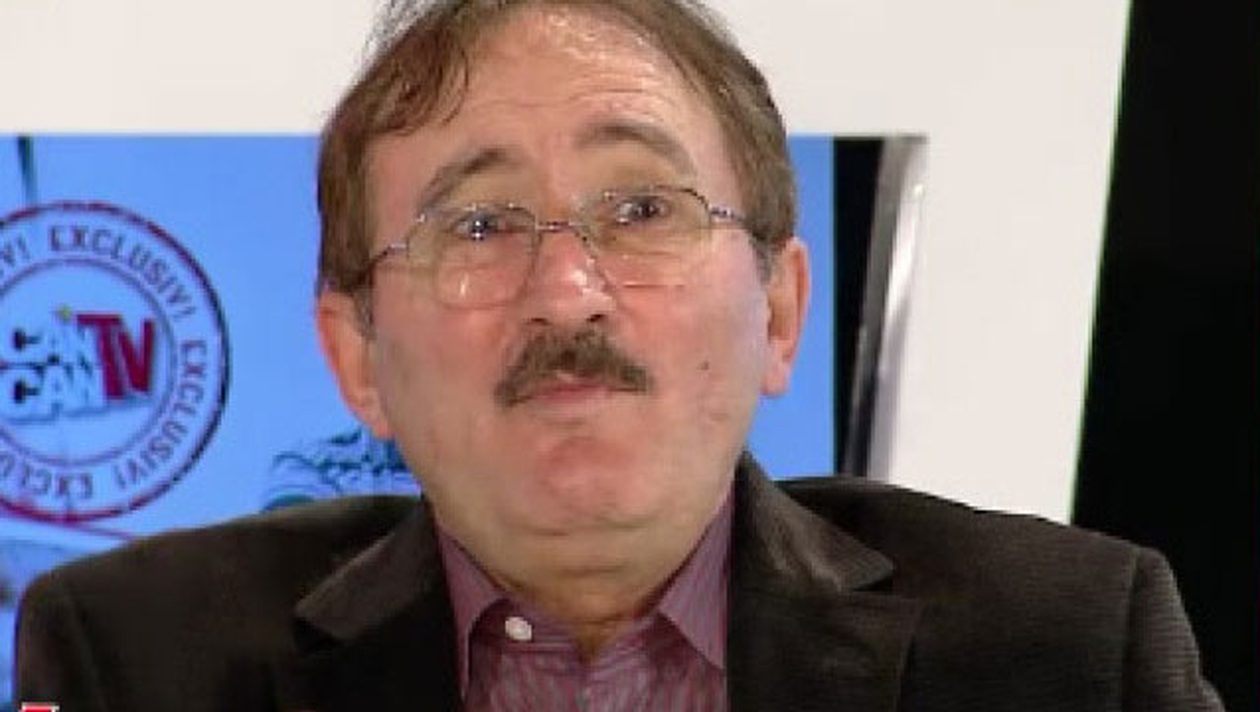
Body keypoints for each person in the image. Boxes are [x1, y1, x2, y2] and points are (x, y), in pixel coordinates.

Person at [16, 0, 1223, 709]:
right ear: (357, 356)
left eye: (644, 209)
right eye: (476, 226)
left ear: (781, 310)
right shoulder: (138, 655)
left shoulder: (1064, 647)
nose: (568, 293)